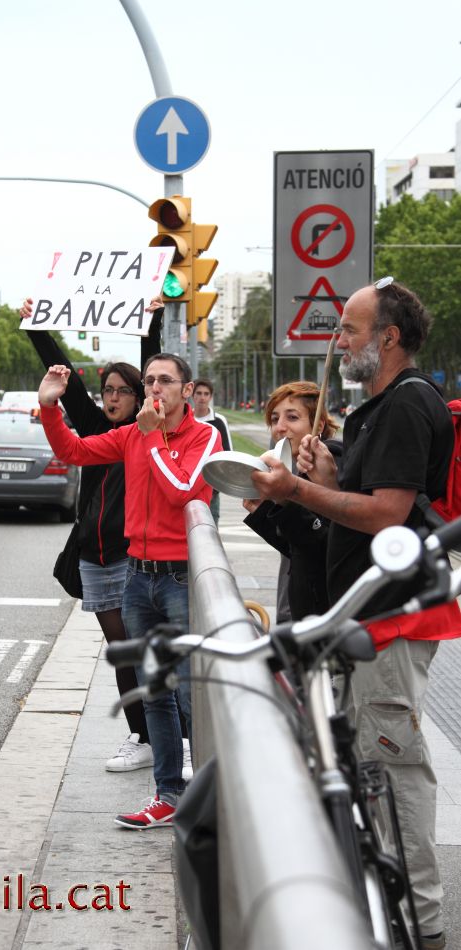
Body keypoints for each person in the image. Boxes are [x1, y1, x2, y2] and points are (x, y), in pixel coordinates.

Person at [250, 277, 461, 950]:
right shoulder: (375, 407)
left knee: (392, 770)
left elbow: (386, 514)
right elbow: (361, 498)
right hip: (365, 619)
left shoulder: (403, 405)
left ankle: (420, 927)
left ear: (386, 338)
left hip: (390, 622)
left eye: (347, 329)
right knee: (368, 765)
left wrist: (299, 490)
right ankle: (378, 905)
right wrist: (324, 482)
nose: (337, 341)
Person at [37, 353, 222, 829]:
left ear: (187, 389)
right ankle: (168, 796)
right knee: (155, 693)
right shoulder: (132, 435)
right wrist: (49, 409)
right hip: (137, 578)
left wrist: (154, 437)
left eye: (166, 381)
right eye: (152, 381)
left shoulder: (206, 437)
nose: (156, 389)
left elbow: (183, 490)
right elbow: (74, 453)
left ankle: (213, 795)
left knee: (190, 695)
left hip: (181, 578)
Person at [19, 296, 164, 773]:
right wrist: (36, 326)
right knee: (122, 650)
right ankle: (142, 736)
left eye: (124, 389)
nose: (114, 396)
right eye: (108, 390)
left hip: (133, 555)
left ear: (140, 395)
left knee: (142, 647)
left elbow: (153, 362)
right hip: (94, 557)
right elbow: (64, 380)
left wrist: (153, 319)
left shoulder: (144, 430)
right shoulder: (97, 428)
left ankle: (163, 737)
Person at [242, 381, 340, 620]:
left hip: (329, 614)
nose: (280, 428)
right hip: (301, 607)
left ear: (318, 425)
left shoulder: (332, 459)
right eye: (275, 419)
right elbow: (296, 547)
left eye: (292, 417)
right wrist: (262, 510)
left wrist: (284, 501)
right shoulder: (294, 468)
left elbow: (330, 545)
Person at [192, 378, 232, 525]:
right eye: (199, 393)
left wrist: (219, 483)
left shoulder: (219, 421)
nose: (202, 397)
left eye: (206, 394)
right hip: (189, 488)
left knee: (211, 529)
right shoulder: (186, 419)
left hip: (212, 488)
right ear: (192, 395)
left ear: (210, 397)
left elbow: (227, 453)